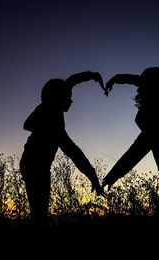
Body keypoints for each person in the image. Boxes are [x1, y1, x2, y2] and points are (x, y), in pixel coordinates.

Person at [102, 67, 159, 216]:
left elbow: (137, 150)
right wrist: (117, 78)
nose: (139, 89)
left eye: (143, 87)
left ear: (151, 90)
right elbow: (136, 80)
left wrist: (114, 175)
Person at [20, 71, 105, 226]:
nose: (71, 101)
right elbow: (75, 153)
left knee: (39, 213)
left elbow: (71, 81)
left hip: (33, 164)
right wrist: (93, 176)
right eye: (68, 97)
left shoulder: (50, 108)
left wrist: (92, 75)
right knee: (39, 215)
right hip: (34, 166)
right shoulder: (51, 116)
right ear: (58, 98)